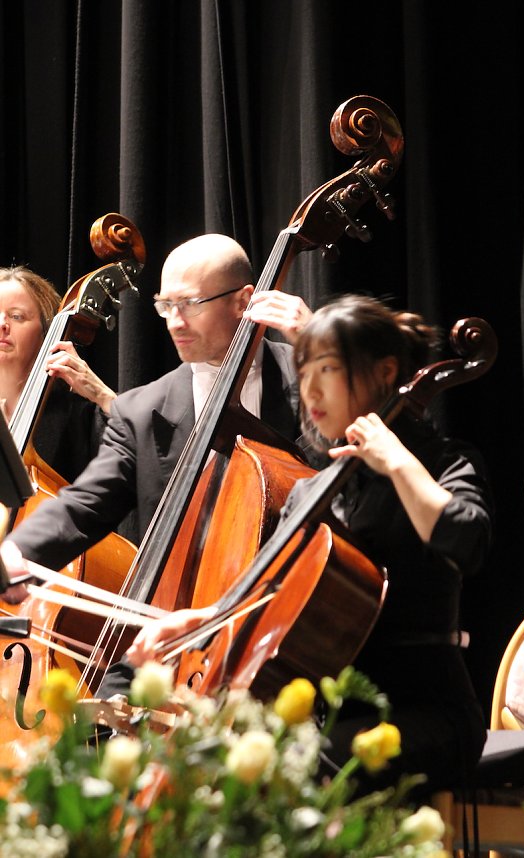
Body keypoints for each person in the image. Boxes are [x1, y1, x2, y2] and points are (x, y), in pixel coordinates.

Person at [123, 294, 493, 796]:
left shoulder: (444, 462)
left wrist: (398, 462)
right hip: (330, 717)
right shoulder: (314, 489)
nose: (310, 390)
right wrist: (193, 622)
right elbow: (259, 593)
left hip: (427, 713)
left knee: (281, 774)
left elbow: (465, 541)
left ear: (384, 372)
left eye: (329, 370)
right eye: (304, 371)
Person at [0, 235, 306, 603]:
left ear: (242, 301)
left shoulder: (309, 380)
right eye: (166, 305)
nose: (174, 322)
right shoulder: (142, 411)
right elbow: (84, 506)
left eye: (190, 304)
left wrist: (322, 350)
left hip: (298, 608)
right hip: (176, 619)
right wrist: (15, 554)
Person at [0, 265, 117, 483]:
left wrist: (103, 396)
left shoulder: (78, 417)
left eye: (16, 316)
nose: (2, 325)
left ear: (45, 334)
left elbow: (149, 456)